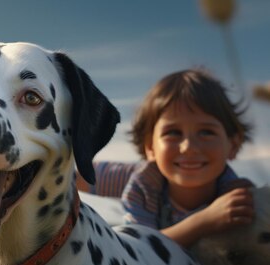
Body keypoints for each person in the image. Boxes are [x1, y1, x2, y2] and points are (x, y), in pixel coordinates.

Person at [77, 68, 254, 248]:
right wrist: (203, 222)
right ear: (150, 147)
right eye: (173, 133)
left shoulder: (239, 199)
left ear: (233, 144)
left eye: (206, 132)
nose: (189, 147)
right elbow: (140, 249)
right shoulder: (143, 182)